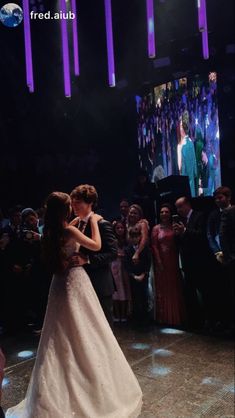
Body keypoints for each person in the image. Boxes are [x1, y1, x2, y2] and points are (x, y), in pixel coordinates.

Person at [6, 192, 142, 418]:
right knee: (85, 330)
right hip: (75, 280)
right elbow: (97, 245)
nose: (73, 207)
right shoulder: (69, 229)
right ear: (64, 209)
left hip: (59, 284)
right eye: (70, 204)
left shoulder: (50, 230)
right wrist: (95, 221)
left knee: (59, 333)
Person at [70, 184, 118, 328]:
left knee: (103, 327)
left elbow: (113, 253)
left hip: (99, 282)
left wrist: (88, 259)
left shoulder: (102, 224)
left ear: (90, 203)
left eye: (78, 203)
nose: (74, 206)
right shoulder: (76, 224)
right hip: (81, 282)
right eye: (73, 203)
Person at [173, 197, 212, 329]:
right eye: (177, 208)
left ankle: (210, 321)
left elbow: (201, 236)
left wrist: (185, 231)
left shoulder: (199, 216)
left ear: (188, 204)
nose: (179, 210)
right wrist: (178, 234)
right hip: (186, 263)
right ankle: (196, 322)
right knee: (189, 293)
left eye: (180, 206)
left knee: (206, 293)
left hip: (200, 262)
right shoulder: (180, 221)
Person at [151, 204, 185, 326]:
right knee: (163, 288)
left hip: (174, 259)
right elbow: (154, 246)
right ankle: (164, 317)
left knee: (174, 287)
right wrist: (158, 261)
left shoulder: (174, 226)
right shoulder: (156, 228)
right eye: (162, 212)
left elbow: (180, 242)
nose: (164, 214)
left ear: (170, 214)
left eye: (166, 212)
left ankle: (176, 318)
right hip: (161, 260)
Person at [124, 225, 151, 324]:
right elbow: (126, 264)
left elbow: (148, 262)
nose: (134, 238)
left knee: (144, 296)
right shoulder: (127, 250)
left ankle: (145, 318)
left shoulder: (144, 248)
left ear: (140, 237)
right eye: (132, 236)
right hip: (133, 277)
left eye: (136, 236)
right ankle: (136, 319)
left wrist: (144, 274)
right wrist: (134, 275)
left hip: (143, 276)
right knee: (135, 297)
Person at [111, 221, 131, 323]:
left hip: (124, 267)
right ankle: (116, 314)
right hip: (115, 266)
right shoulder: (112, 240)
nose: (120, 230)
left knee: (124, 290)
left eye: (121, 228)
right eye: (117, 228)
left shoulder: (127, 240)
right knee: (116, 292)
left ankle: (124, 315)